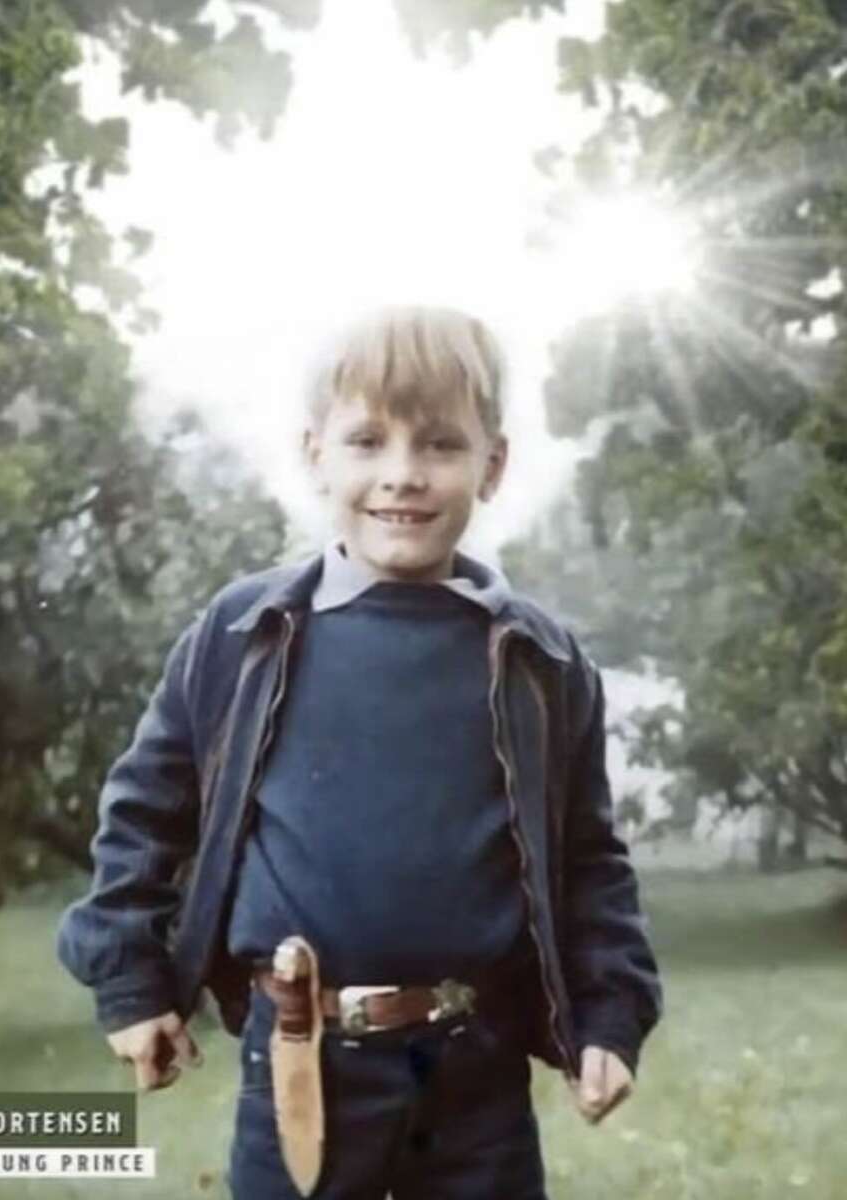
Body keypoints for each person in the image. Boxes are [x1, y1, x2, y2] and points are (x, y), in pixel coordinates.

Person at [55, 305, 663, 1199]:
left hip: (478, 1073)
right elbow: (143, 818)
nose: (402, 475)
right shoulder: (243, 633)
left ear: (493, 465)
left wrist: (609, 1014)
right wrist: (130, 982)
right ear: (317, 454)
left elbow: (590, 860)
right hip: (301, 1059)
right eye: (368, 441)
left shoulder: (543, 660)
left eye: (441, 445)